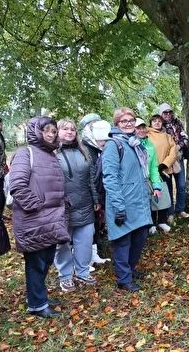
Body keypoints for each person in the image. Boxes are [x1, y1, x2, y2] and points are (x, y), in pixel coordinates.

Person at [9, 116, 70, 318]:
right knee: (36, 263)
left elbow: (54, 184)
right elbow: (17, 185)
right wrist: (36, 207)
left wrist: (63, 201)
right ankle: (37, 305)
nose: (51, 134)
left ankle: (37, 296)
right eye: (47, 131)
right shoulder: (25, 153)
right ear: (36, 132)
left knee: (46, 260)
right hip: (34, 219)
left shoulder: (52, 156)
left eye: (54, 131)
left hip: (52, 219)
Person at [102, 108, 155, 291]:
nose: (128, 123)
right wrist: (118, 206)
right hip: (122, 202)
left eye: (130, 120)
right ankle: (124, 279)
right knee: (123, 241)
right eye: (123, 121)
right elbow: (110, 177)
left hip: (139, 201)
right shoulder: (113, 145)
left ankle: (130, 270)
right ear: (116, 124)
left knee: (140, 237)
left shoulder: (135, 143)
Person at [54, 119, 99, 292]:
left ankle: (82, 271)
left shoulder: (84, 151)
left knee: (85, 241)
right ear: (57, 131)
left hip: (85, 203)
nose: (70, 132)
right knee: (62, 242)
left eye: (73, 129)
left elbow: (91, 179)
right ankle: (65, 275)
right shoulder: (52, 153)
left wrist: (95, 200)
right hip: (62, 206)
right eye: (65, 129)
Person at [78, 113, 109, 266]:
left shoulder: (98, 147)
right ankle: (85, 259)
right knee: (87, 228)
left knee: (96, 225)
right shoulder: (84, 148)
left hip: (99, 194)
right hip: (88, 195)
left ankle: (94, 255)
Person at [158, 103, 189, 222]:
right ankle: (170, 212)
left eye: (169, 112)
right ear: (161, 114)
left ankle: (180, 209)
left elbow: (185, 137)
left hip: (178, 158)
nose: (168, 114)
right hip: (165, 160)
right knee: (168, 187)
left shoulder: (177, 122)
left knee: (181, 185)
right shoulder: (158, 125)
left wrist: (178, 146)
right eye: (165, 112)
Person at [134, 118, 166, 233]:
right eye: (138, 128)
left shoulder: (150, 145)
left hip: (147, 180)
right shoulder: (131, 144)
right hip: (135, 182)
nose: (141, 130)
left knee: (150, 202)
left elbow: (153, 167)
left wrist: (157, 186)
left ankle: (150, 225)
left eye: (143, 128)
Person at [147, 114, 177, 233]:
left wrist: (164, 164)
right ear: (151, 123)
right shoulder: (147, 135)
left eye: (159, 121)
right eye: (154, 121)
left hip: (164, 171)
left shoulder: (168, 136)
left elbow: (173, 152)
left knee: (165, 196)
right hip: (151, 172)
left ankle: (162, 221)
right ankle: (152, 223)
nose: (157, 123)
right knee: (152, 197)